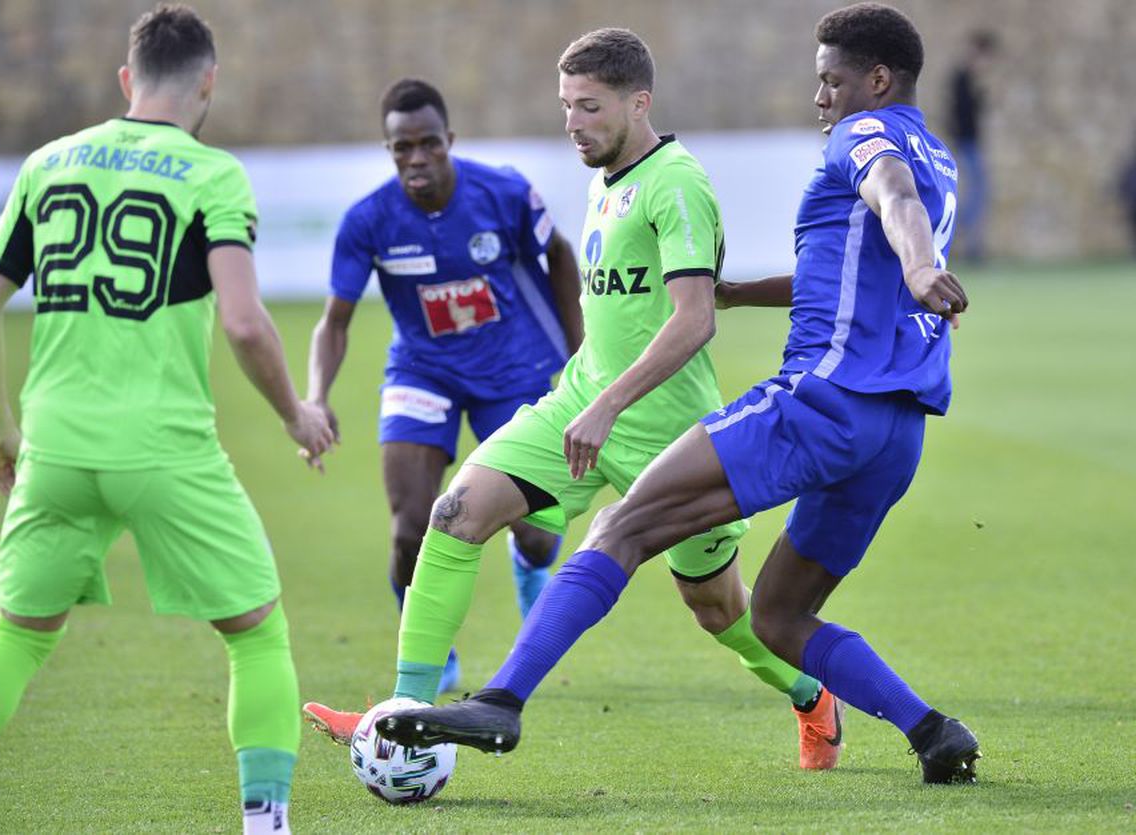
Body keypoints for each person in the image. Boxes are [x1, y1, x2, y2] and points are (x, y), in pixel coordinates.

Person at [377, 4, 982, 786]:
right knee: (777, 616)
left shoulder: (866, 139)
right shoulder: (943, 157)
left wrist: (918, 264)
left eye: (831, 81)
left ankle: (502, 699)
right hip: (897, 431)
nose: (820, 98)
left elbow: (891, 197)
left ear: (876, 80)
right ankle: (934, 730)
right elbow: (845, 274)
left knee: (621, 528)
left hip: (824, 403)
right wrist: (738, 292)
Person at [310, 27, 846, 772]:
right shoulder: (603, 177)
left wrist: (610, 404)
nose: (572, 123)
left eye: (589, 107)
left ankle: (810, 694)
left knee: (719, 608)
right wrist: (587, 394)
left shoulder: (675, 180)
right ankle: (403, 714)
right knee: (455, 513)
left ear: (638, 102)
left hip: (672, 434)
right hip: (578, 405)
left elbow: (695, 319)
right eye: (565, 106)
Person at [0, 6, 333, 834]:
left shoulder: (48, 163)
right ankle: (265, 823)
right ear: (208, 83)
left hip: (53, 446)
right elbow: (247, 322)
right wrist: (297, 413)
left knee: (17, 637)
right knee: (258, 635)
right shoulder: (211, 173)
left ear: (127, 79)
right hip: (163, 448)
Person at [301, 79, 583, 703]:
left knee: (535, 531)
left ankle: (529, 563)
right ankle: (433, 652)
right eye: (403, 148)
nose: (417, 158)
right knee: (409, 528)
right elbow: (335, 321)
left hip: (510, 372)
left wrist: (580, 355)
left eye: (429, 143)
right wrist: (316, 396)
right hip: (421, 372)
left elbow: (559, 255)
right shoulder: (369, 221)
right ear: (389, 149)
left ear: (449, 140)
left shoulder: (503, 193)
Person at [947, 29, 997, 262]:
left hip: (970, 142)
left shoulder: (969, 80)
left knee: (980, 192)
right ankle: (962, 234)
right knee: (976, 192)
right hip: (965, 143)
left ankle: (971, 244)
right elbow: (960, 114)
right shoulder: (961, 78)